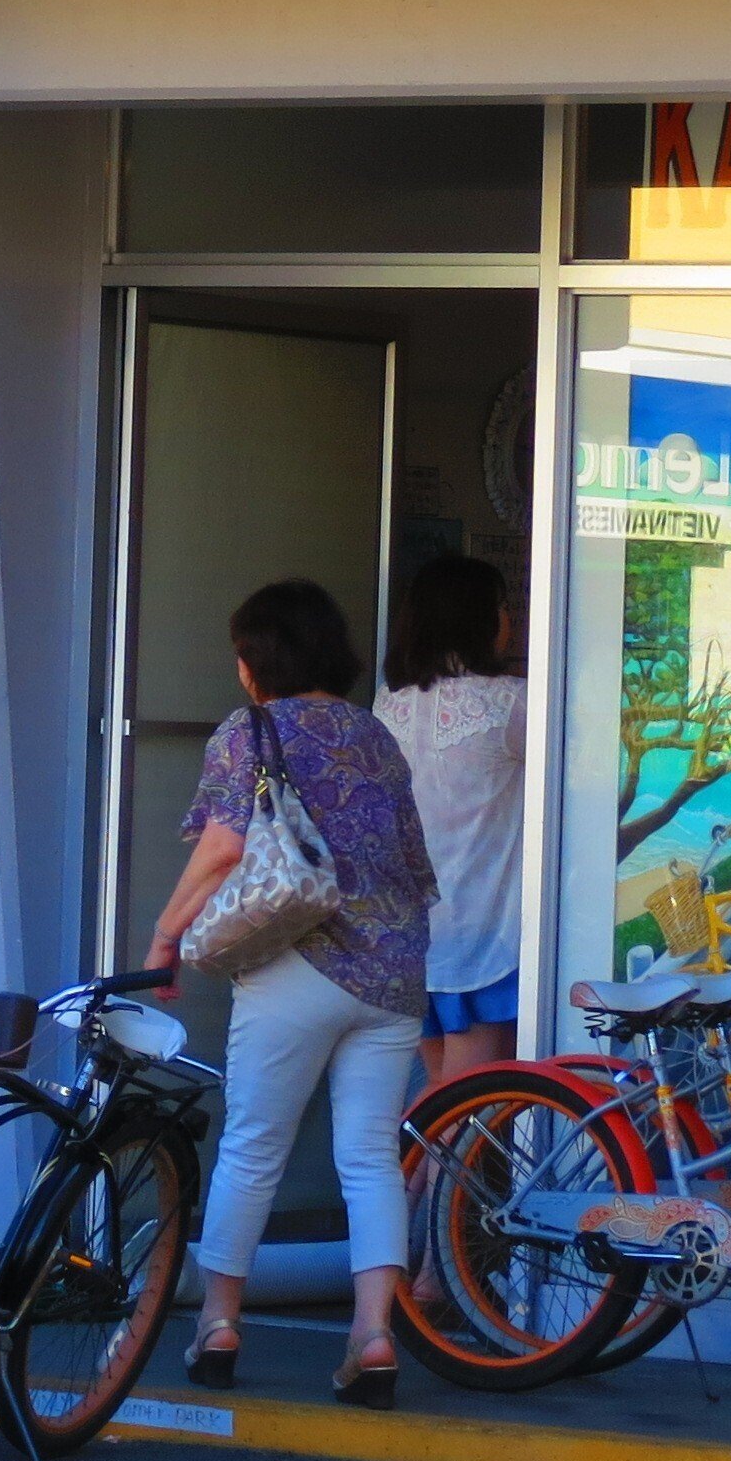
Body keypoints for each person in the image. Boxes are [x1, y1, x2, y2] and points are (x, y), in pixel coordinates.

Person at [144, 576, 434, 1408]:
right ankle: (374, 1335)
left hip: (297, 969)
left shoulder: (251, 729)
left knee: (252, 1148)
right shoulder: (376, 737)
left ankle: (220, 1325)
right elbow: (414, 865)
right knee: (371, 1158)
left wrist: (167, 935)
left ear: (254, 662)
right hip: (394, 973)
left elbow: (225, 848)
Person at [375, 553, 526, 1087]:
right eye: (503, 607)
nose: (511, 619)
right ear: (481, 618)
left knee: (441, 1101)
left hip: (413, 934)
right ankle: (399, 1175)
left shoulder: (388, 703)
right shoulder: (511, 704)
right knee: (465, 1114)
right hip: (484, 934)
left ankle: (401, 1174)